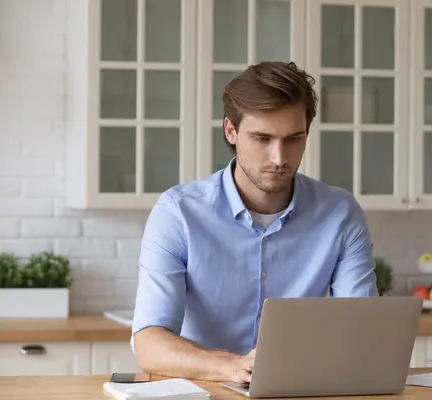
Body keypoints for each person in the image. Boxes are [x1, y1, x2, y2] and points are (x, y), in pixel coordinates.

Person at [131, 61, 378, 383]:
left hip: (301, 387)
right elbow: (149, 342)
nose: (279, 158)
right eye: (262, 139)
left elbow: (362, 328)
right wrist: (232, 366)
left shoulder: (340, 213)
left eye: (294, 139)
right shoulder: (178, 212)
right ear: (231, 131)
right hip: (206, 388)